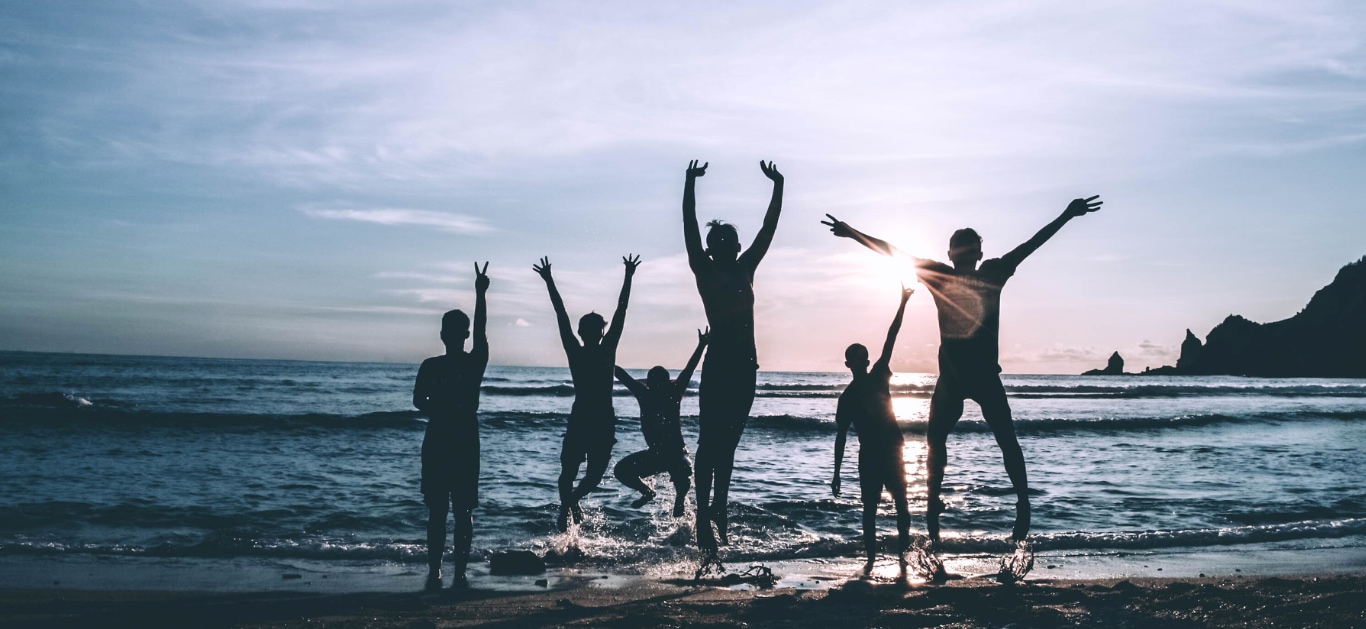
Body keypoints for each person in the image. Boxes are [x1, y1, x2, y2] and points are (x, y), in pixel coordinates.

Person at [822, 195, 1103, 546]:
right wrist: (852, 233)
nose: (965, 257)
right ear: (952, 254)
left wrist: (1066, 214)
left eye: (969, 251)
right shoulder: (941, 275)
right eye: (960, 251)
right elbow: (892, 250)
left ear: (977, 255)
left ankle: (1022, 502)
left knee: (1005, 439)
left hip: (985, 376)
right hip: (952, 380)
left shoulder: (992, 272)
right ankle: (934, 504)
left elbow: (1032, 244)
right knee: (935, 439)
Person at [681, 159, 784, 553]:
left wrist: (778, 186)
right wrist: (689, 183)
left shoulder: (747, 268)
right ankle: (703, 516)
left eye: (729, 242)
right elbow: (689, 226)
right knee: (709, 443)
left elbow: (768, 228)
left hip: (746, 368)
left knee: (729, 445)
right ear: (710, 248)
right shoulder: (704, 272)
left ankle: (719, 509)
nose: (723, 246)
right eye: (716, 243)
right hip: (720, 365)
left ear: (737, 247)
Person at [533, 254, 640, 532]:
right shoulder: (596, 351)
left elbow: (563, 313)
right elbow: (621, 310)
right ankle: (570, 505)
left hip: (593, 418)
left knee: (582, 475)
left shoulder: (593, 351)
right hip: (591, 417)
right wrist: (628, 275)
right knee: (578, 474)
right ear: (587, 332)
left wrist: (549, 280)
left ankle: (569, 503)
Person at [412, 262, 491, 590]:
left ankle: (439, 572)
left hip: (443, 438)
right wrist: (481, 293)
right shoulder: (470, 361)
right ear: (463, 334)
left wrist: (479, 293)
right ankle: (455, 571)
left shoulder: (437, 365)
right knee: (460, 510)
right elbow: (483, 329)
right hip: (460, 439)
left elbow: (418, 401)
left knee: (442, 510)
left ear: (444, 334)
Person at [832, 285, 915, 576]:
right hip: (870, 455)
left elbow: (892, 336)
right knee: (870, 510)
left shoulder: (880, 374)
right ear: (849, 364)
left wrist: (902, 301)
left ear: (867, 361)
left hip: (892, 450)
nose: (863, 360)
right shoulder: (847, 398)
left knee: (901, 505)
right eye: (857, 357)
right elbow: (841, 436)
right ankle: (870, 561)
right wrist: (836, 473)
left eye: (864, 356)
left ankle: (905, 557)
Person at [613, 328, 709, 517]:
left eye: (659, 383)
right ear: (649, 383)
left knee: (683, 472)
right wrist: (604, 356)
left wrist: (701, 345)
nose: (656, 386)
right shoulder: (648, 395)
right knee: (621, 471)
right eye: (654, 383)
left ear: (664, 383)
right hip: (655, 455)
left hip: (677, 453)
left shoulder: (666, 394)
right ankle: (647, 491)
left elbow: (689, 369)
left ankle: (680, 498)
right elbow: (621, 375)